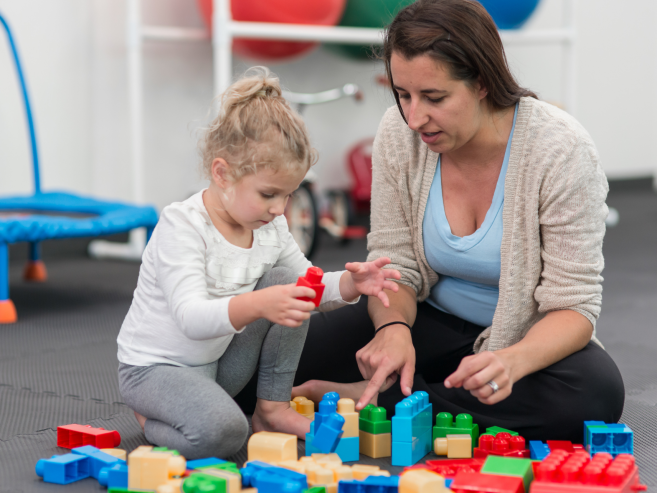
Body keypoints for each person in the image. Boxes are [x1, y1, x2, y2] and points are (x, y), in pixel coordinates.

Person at [291, 0, 625, 442]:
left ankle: (381, 403)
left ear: (483, 82)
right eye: (403, 95)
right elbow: (395, 268)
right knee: (283, 347)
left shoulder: (562, 151)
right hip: (427, 320)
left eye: (434, 97)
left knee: (594, 394)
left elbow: (574, 305)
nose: (414, 117)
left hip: (521, 334)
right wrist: (392, 331)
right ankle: (422, 397)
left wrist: (513, 361)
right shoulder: (399, 133)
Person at [116, 67, 401, 459]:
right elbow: (190, 317)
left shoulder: (270, 226)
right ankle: (151, 420)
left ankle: (272, 410)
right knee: (225, 433)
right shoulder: (181, 225)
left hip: (215, 366)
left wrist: (353, 285)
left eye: (287, 195)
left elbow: (308, 282)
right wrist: (261, 304)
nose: (279, 208)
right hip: (154, 371)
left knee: (288, 280)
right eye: (269, 194)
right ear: (223, 173)